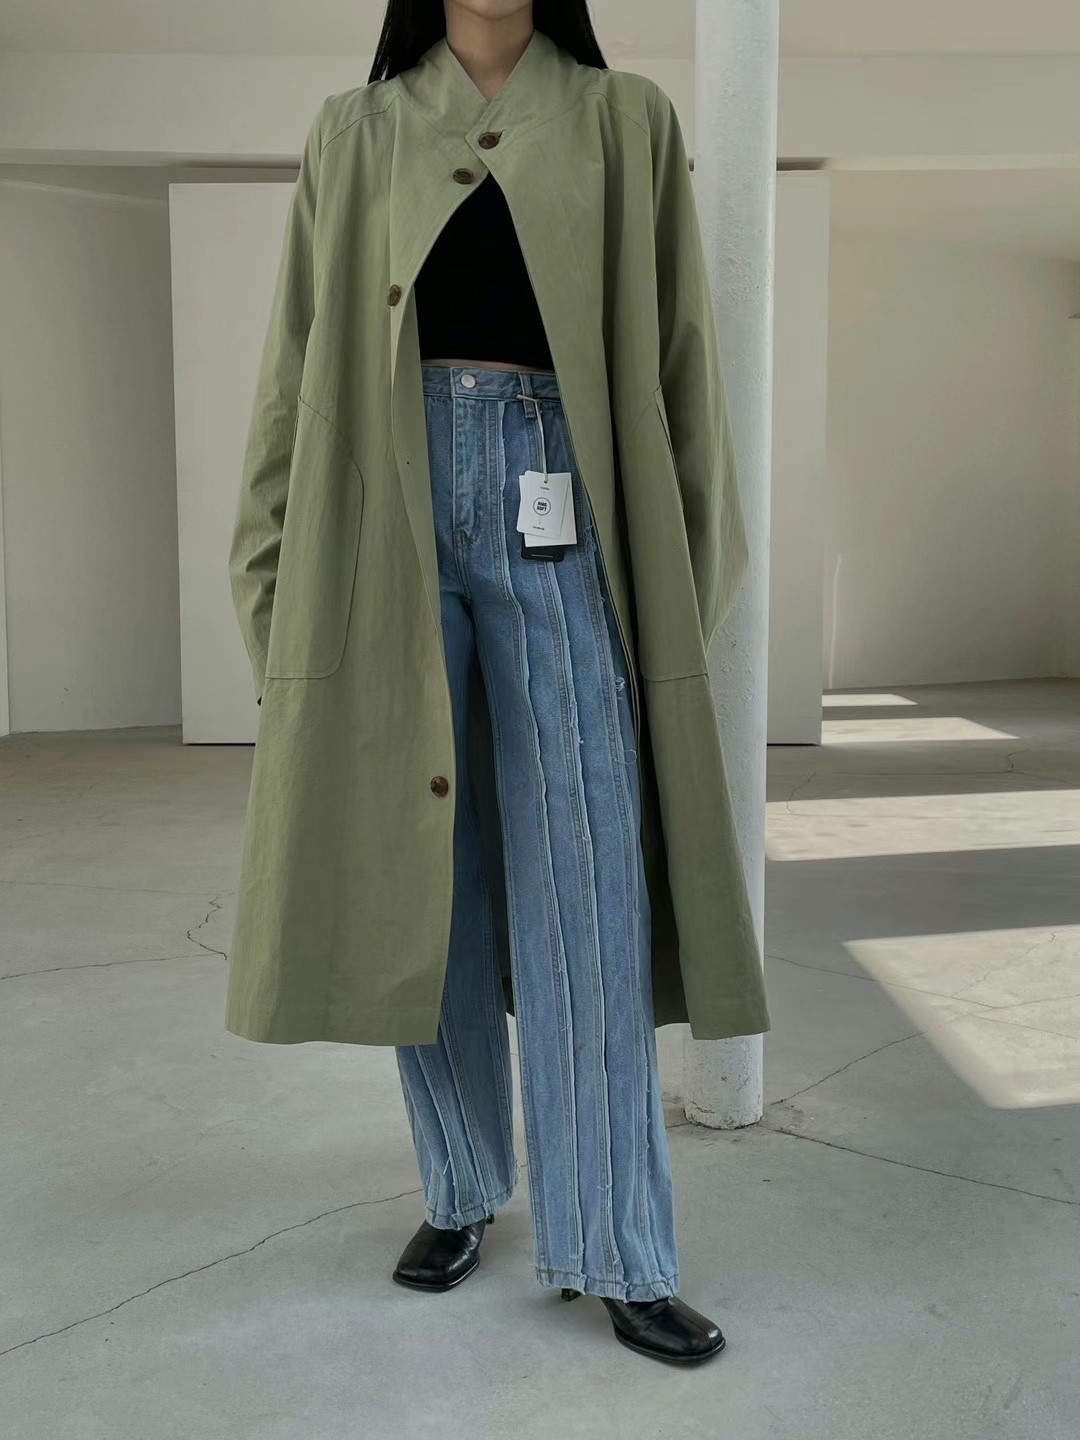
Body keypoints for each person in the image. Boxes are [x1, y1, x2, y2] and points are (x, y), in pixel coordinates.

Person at [227, 0, 770, 1368]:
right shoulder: (354, 132)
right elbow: (296, 370)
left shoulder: (624, 120)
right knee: (426, 875)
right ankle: (462, 1185)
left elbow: (684, 366)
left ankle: (620, 1246)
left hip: (565, 507)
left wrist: (684, 584)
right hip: (385, 515)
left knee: (587, 879)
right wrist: (272, 578)